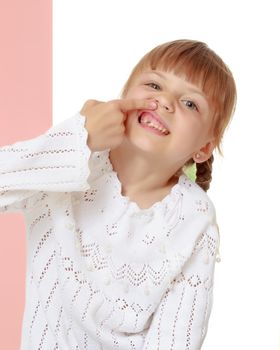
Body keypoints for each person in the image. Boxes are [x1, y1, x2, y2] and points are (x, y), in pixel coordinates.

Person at [0, 39, 236, 349]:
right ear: (123, 98)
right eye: (153, 84)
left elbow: (176, 339)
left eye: (190, 103)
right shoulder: (69, 161)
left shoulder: (194, 218)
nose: (164, 102)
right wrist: (77, 138)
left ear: (203, 148)